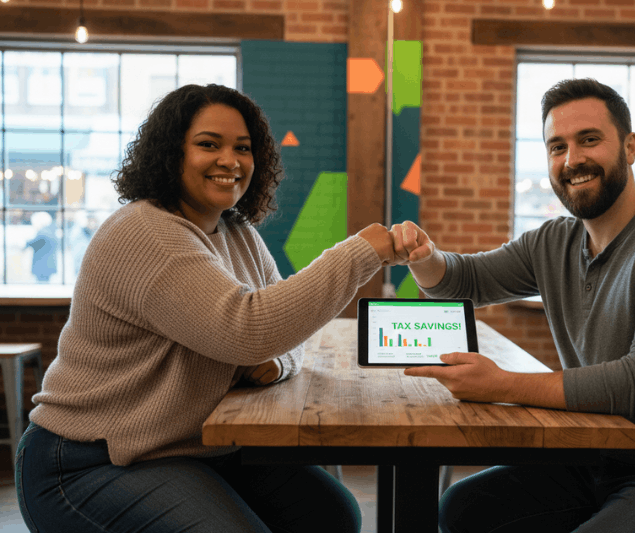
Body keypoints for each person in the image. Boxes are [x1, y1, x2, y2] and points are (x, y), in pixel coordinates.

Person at [16, 84, 399, 533]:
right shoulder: (146, 231)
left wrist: (277, 362)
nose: (230, 160)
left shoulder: (237, 232)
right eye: (208, 144)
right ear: (170, 153)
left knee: (331, 516)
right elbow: (249, 329)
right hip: (90, 459)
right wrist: (358, 254)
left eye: (243, 148)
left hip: (188, 447)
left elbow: (288, 328)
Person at [393, 79, 635, 532]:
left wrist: (501, 384)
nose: (572, 160)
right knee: (463, 509)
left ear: (629, 147)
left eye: (589, 140)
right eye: (557, 147)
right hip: (599, 458)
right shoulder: (554, 241)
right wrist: (424, 257)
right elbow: (465, 281)